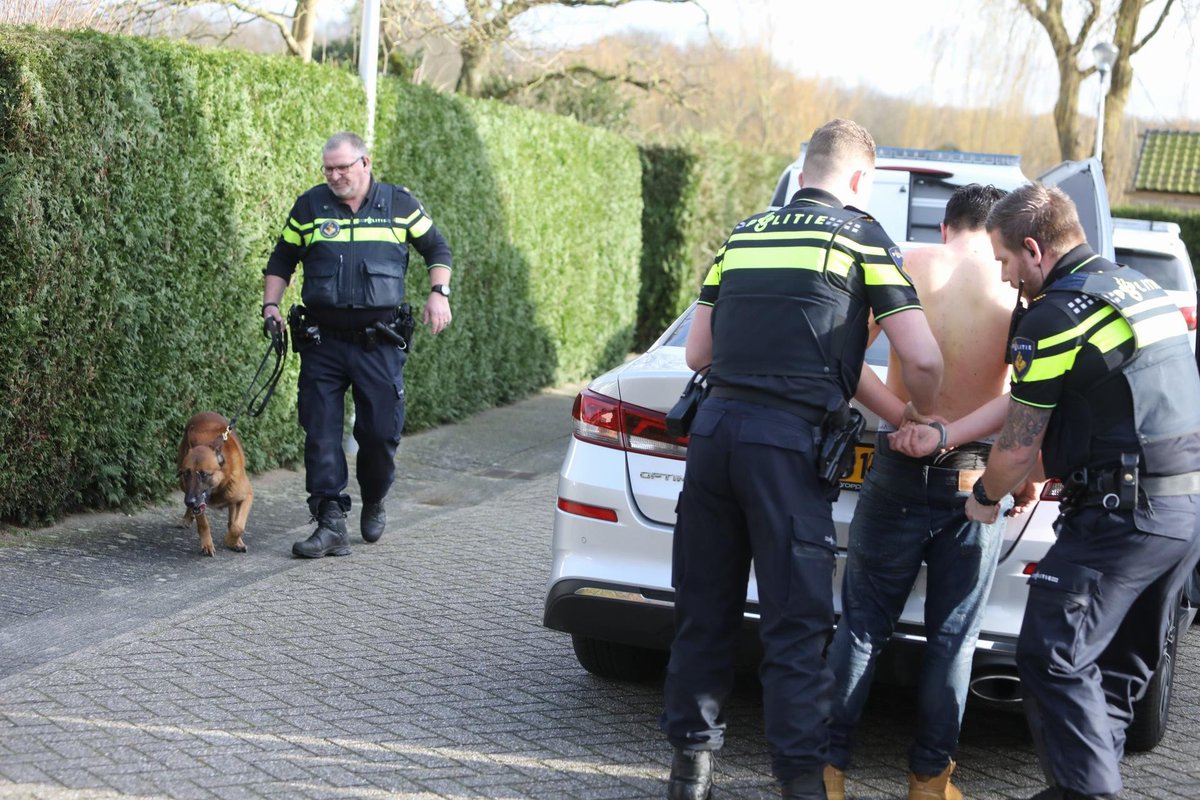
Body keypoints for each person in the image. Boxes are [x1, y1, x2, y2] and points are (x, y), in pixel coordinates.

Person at [659, 118, 944, 800]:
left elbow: (698, 354)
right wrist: (924, 413)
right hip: (787, 450)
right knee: (795, 626)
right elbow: (924, 357)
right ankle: (800, 784)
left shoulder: (744, 234)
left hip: (714, 438)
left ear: (804, 169)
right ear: (859, 178)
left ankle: (689, 774)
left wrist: (888, 407)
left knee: (703, 611)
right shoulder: (862, 237)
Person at [965, 183, 1200, 800]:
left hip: (1120, 520)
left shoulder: (1055, 315)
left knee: (1051, 655)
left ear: (1034, 249)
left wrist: (985, 496)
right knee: (1113, 673)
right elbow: (1115, 407)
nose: (1005, 277)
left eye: (1004, 261)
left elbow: (1017, 446)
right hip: (1181, 516)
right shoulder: (1139, 290)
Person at [824, 184, 1025, 800]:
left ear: (945, 227)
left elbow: (843, 360)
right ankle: (929, 782)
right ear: (996, 230)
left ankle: (825, 773)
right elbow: (1026, 396)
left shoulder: (907, 263)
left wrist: (903, 418)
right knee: (953, 637)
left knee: (862, 625)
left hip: (899, 461)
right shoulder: (1013, 283)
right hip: (975, 474)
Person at [262, 131, 454, 558]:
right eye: (328, 169)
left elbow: (436, 248)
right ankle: (330, 522)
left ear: (365, 163)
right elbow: (282, 258)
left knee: (380, 434)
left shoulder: (399, 205)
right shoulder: (310, 207)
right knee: (320, 433)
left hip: (379, 342)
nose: (334, 176)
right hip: (323, 342)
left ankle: (375, 496)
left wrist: (438, 293)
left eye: (342, 168)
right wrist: (270, 305)